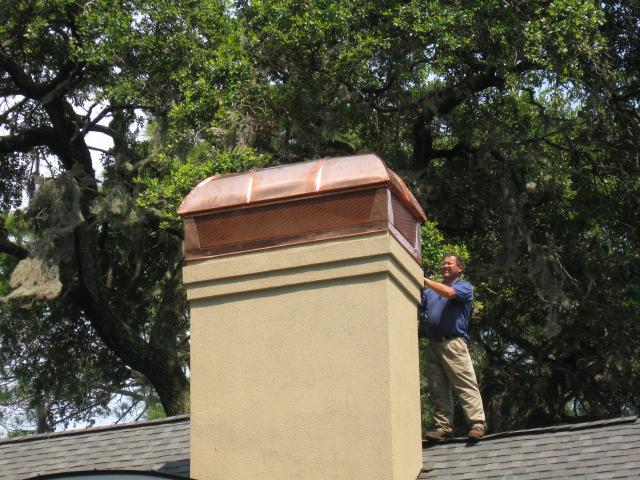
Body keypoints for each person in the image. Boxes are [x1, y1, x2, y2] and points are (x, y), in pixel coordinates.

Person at [422, 254, 486, 441]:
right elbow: (419, 305)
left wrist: (424, 280)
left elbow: (450, 294)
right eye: (443, 264)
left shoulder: (463, 286)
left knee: (464, 383)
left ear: (459, 268)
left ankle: (477, 423)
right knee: (437, 387)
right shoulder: (429, 293)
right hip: (433, 344)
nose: (445, 266)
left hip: (453, 342)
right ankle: (443, 427)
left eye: (449, 263)